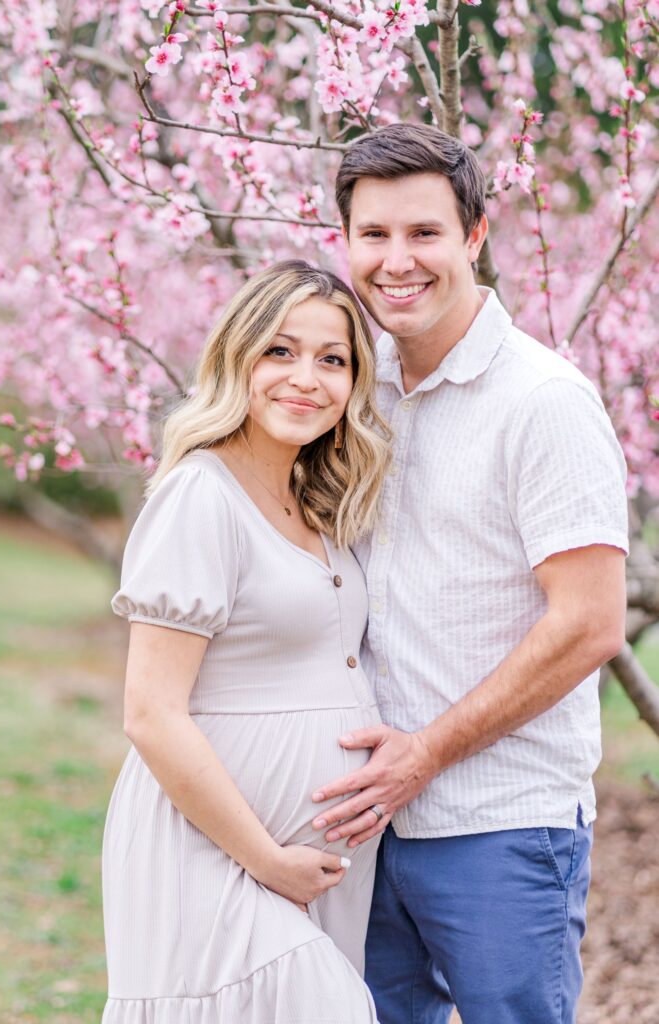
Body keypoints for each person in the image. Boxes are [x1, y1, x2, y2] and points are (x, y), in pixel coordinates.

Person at [308, 124, 629, 1024]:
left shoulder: (542, 402)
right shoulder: (352, 392)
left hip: (500, 822)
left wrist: (427, 755)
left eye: (424, 234)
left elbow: (590, 623)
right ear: (344, 244)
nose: (395, 261)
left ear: (475, 237)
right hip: (363, 826)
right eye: (372, 236)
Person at [101, 260, 391, 1023]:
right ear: (238, 358)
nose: (306, 378)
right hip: (214, 854)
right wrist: (267, 861)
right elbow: (150, 713)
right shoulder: (201, 494)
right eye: (280, 351)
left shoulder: (314, 502)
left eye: (333, 360)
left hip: (310, 865)